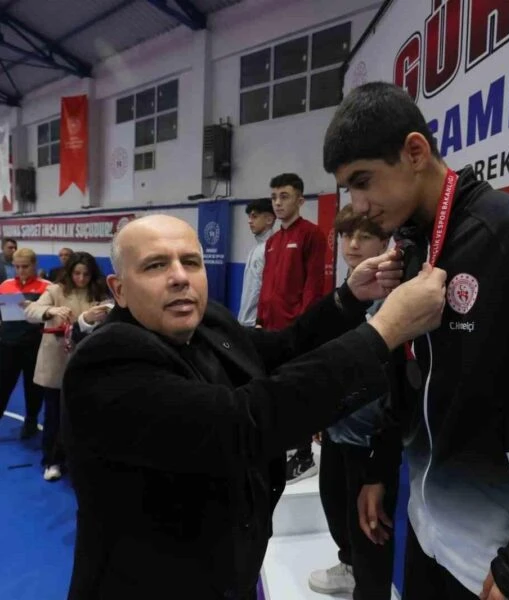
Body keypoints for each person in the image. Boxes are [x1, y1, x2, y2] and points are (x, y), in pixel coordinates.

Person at [61, 214, 446, 600]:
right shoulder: (106, 363)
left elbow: (284, 349)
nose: (179, 277)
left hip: (227, 574)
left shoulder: (207, 321)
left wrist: (349, 298)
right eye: (156, 265)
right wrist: (384, 333)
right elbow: (242, 423)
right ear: (119, 289)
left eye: (190, 262)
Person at [323, 81, 509, 600]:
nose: (358, 205)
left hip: (507, 559)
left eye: (364, 181)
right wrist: (380, 469)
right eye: (348, 189)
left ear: (415, 152)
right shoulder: (412, 253)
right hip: (428, 536)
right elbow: (407, 378)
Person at [309, 204, 397, 600]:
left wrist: (381, 450)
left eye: (364, 236)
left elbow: (394, 380)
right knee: (337, 510)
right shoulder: (348, 292)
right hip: (337, 428)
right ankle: (349, 568)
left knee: (371, 529)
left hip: (370, 437)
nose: (354, 244)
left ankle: (370, 589)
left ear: (385, 241)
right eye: (347, 235)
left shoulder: (394, 296)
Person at [257, 172, 326, 483]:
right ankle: (286, 446)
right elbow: (266, 288)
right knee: (276, 390)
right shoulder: (272, 242)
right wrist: (260, 319)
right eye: (274, 197)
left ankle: (303, 455)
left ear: (300, 200)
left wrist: (305, 327)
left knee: (297, 391)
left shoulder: (311, 235)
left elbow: (313, 285)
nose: (277, 202)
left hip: (295, 331)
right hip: (270, 330)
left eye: (284, 196)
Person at [24, 252, 112, 481]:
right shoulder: (55, 290)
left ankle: (78, 460)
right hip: (56, 362)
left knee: (82, 415)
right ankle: (51, 461)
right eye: (77, 273)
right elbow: (30, 311)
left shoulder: (99, 293)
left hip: (86, 363)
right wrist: (49, 311)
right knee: (53, 415)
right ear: (69, 272)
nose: (81, 278)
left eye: (86, 274)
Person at [0, 248, 49, 438]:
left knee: (33, 386)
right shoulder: (5, 285)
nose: (21, 271)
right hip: (7, 345)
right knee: (3, 384)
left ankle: (30, 421)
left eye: (25, 267)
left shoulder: (47, 287)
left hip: (34, 346)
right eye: (17, 267)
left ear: (34, 265)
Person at [238, 198, 275, 327]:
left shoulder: (273, 249)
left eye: (254, 216)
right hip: (245, 321)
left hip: (258, 324)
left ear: (269, 219)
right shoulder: (256, 249)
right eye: (249, 217)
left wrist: (260, 321)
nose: (249, 221)